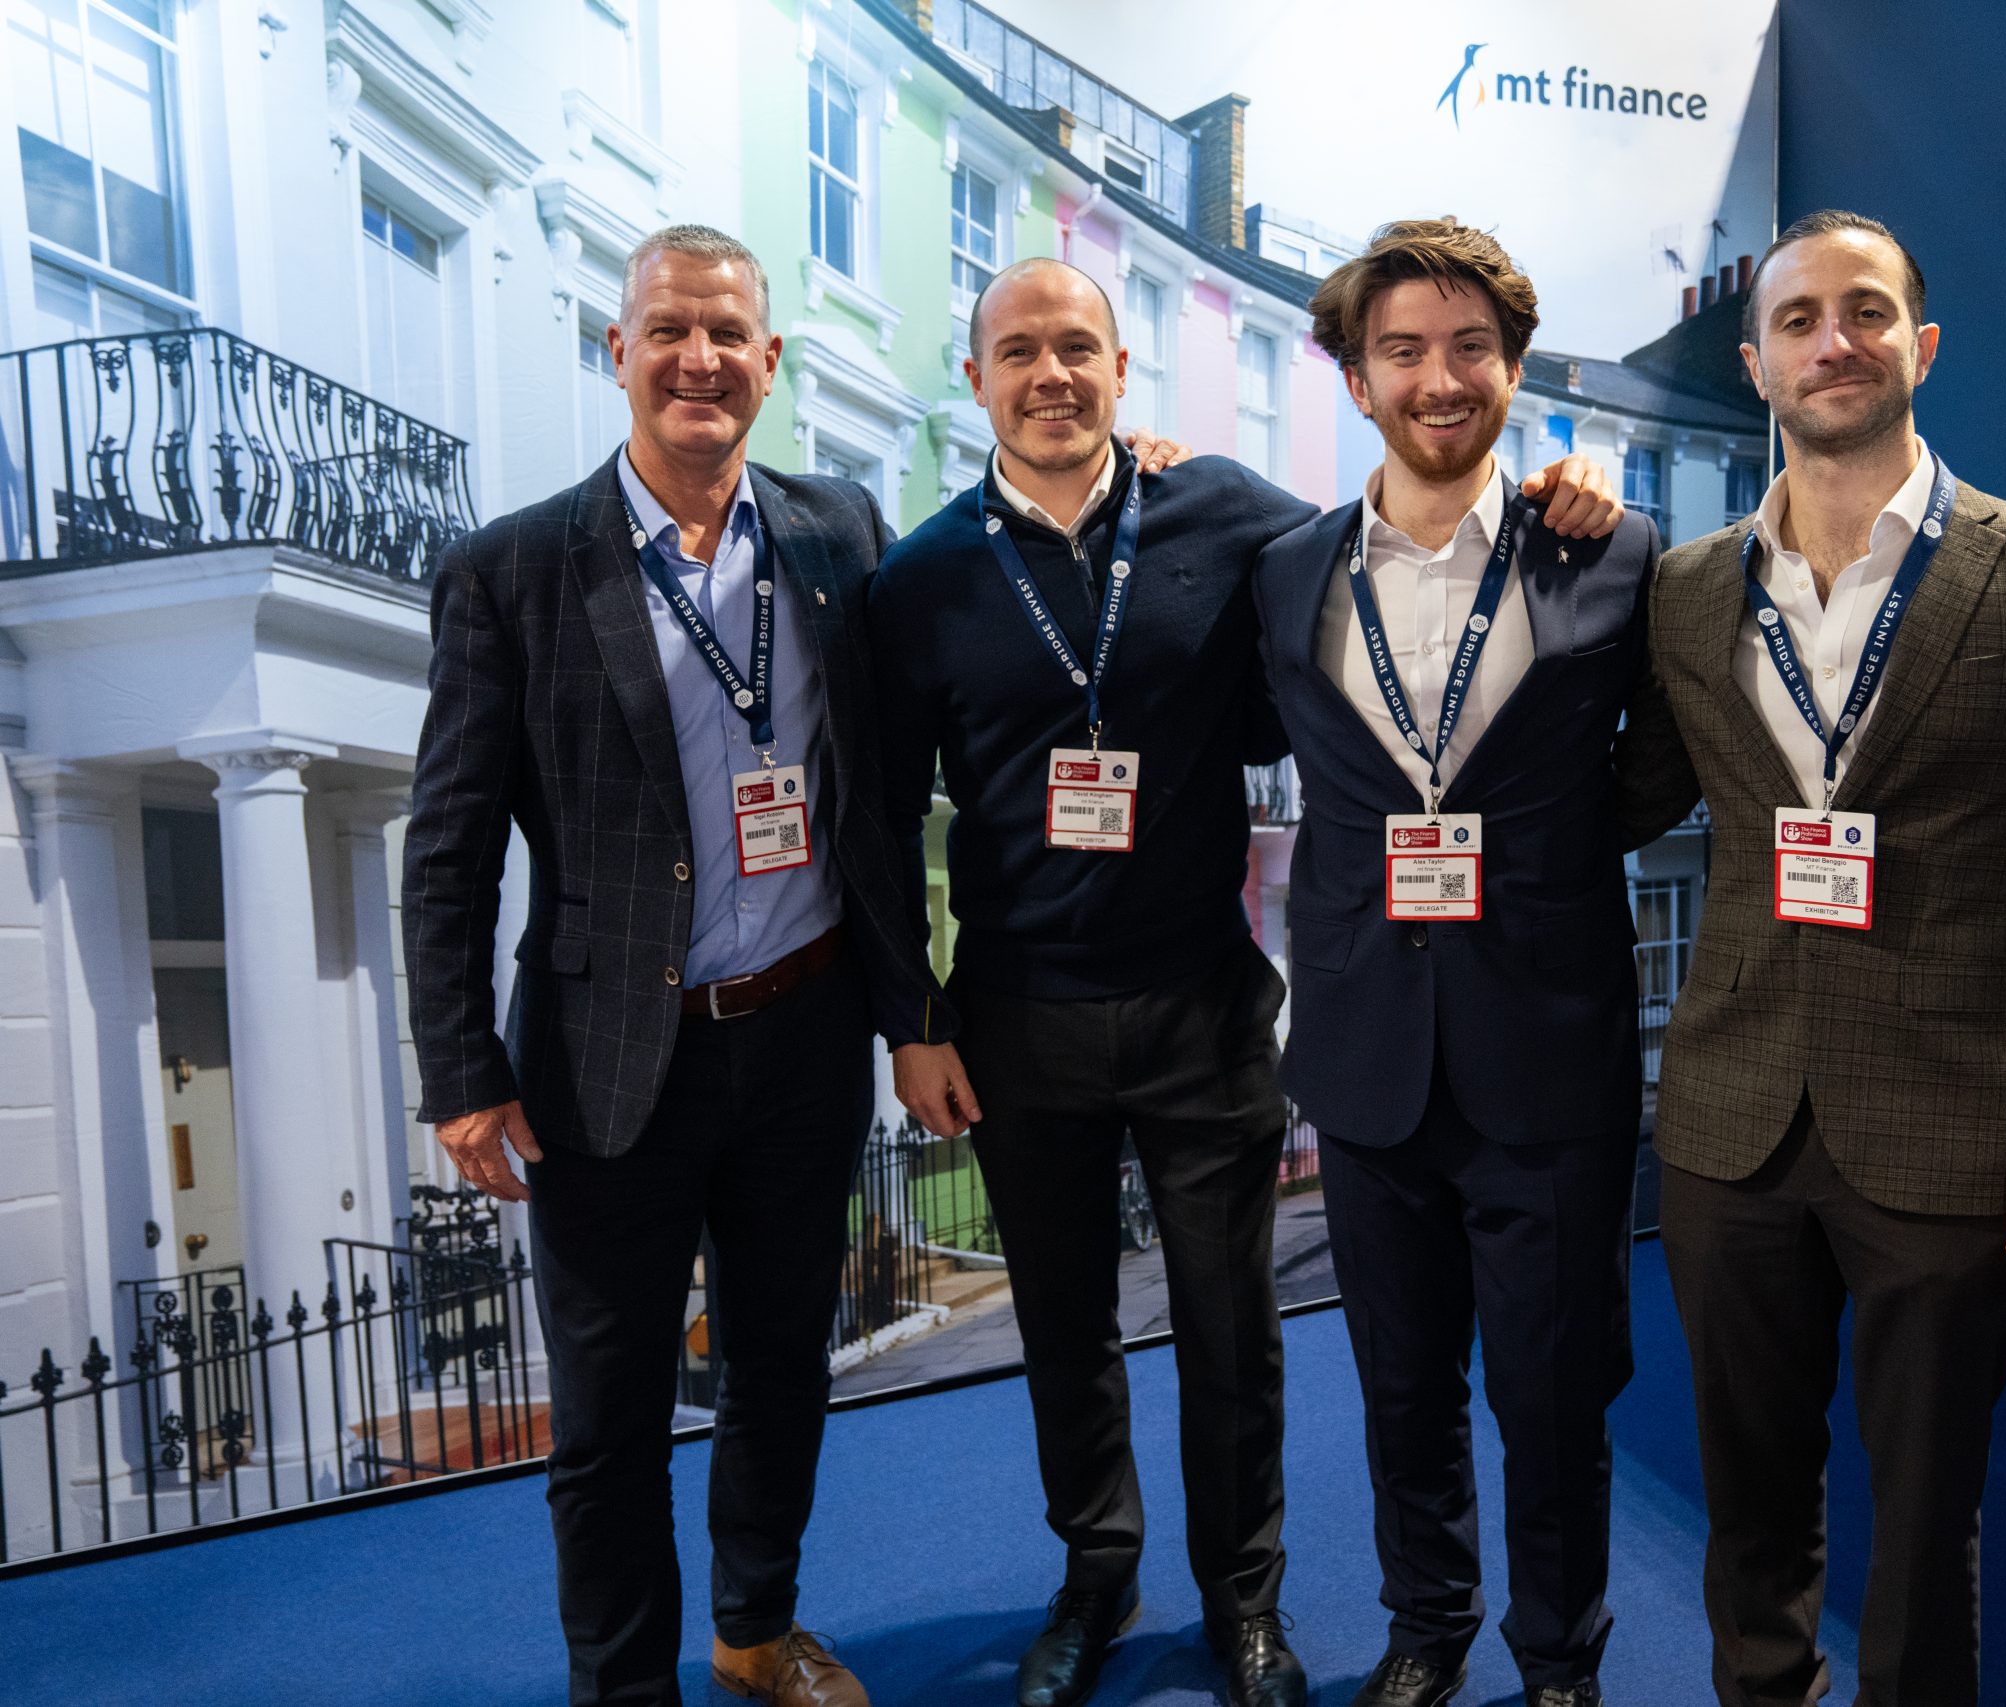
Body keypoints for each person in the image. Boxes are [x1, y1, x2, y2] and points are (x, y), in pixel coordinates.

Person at [868, 256, 1619, 1707]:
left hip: (1205, 1004)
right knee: (1066, 1329)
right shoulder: (920, 580)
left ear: (1121, 370)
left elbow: (1407, 524)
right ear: (976, 380)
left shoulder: (1227, 518)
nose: (1050, 376)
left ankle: (1245, 1601)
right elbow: (880, 818)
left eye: (1077, 348)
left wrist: (1557, 483)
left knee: (1231, 1329)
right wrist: (914, 1018)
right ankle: (1097, 1575)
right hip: (1015, 1018)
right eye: (1018, 352)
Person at [404, 224, 973, 1707]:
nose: (698, 358)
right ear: (620, 352)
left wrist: (1139, 468)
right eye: (668, 330)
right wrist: (460, 1071)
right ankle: (623, 1689)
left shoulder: (839, 532)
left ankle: (754, 1630)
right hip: (605, 1062)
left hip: (801, 1036)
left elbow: (883, 786)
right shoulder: (513, 570)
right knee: (607, 1420)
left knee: (783, 1368)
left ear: (768, 363)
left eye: (726, 333)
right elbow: (449, 847)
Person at [1612, 209, 2006, 1707]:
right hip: (1731, 1120)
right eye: (1797, 320)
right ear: (1757, 365)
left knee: (1927, 1514)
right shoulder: (1688, 589)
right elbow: (1620, 799)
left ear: (1920, 345)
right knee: (1748, 1496)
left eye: (1865, 312)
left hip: (1952, 1123)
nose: (1833, 342)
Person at [1253, 219, 1651, 1707]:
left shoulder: (1609, 552)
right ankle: (1427, 1632)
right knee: (1403, 1383)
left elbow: (1664, 759)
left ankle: (1560, 1660)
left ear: (1512, 369)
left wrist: (1555, 852)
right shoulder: (1282, 572)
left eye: (1471, 348)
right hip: (1367, 1051)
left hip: (1547, 1048)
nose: (1441, 378)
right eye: (1406, 351)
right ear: (1357, 378)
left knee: (1556, 1392)